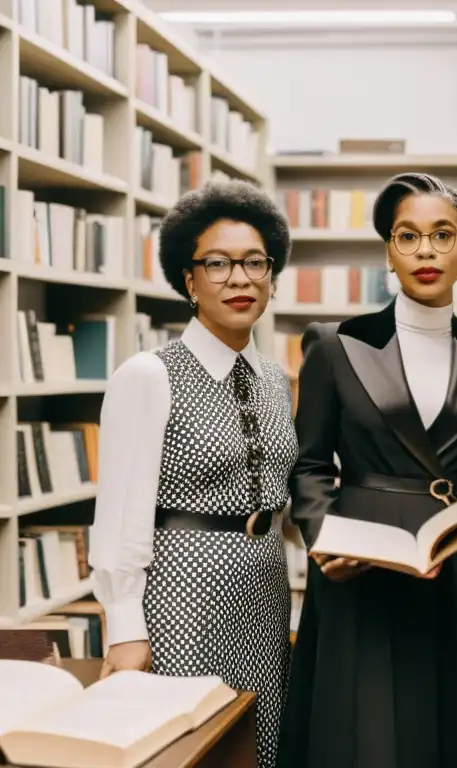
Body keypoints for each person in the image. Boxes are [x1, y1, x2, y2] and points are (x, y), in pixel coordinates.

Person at [276, 172, 457, 768]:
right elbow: (309, 464)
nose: (426, 252)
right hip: (363, 559)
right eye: (407, 236)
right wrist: (323, 537)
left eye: (443, 236)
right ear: (388, 251)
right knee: (365, 732)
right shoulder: (335, 345)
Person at [87, 180, 297, 768]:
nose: (240, 279)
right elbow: (119, 509)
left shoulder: (276, 379)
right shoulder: (148, 375)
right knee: (188, 743)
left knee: (261, 744)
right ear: (189, 280)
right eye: (218, 264)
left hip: (264, 586)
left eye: (255, 263)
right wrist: (125, 627)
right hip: (182, 588)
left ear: (273, 276)